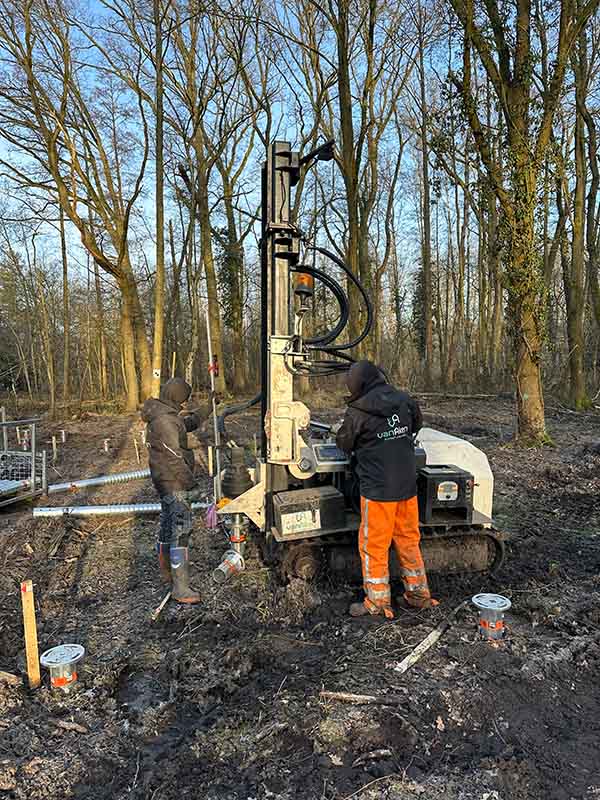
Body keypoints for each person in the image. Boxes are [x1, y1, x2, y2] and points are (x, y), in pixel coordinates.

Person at [336, 360, 438, 618]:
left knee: (375, 545)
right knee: (408, 541)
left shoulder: (357, 411)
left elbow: (344, 444)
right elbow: (416, 425)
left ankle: (378, 602)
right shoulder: (404, 400)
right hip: (407, 487)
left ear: (357, 384)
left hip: (378, 491)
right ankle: (418, 595)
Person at [141, 378, 213, 604]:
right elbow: (174, 458)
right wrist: (191, 485)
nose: (185, 404)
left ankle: (166, 573)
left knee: (168, 524)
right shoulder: (165, 421)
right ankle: (181, 588)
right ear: (176, 397)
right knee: (181, 531)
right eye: (184, 399)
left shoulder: (163, 413)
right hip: (173, 481)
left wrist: (207, 408)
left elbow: (186, 424)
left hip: (164, 480)